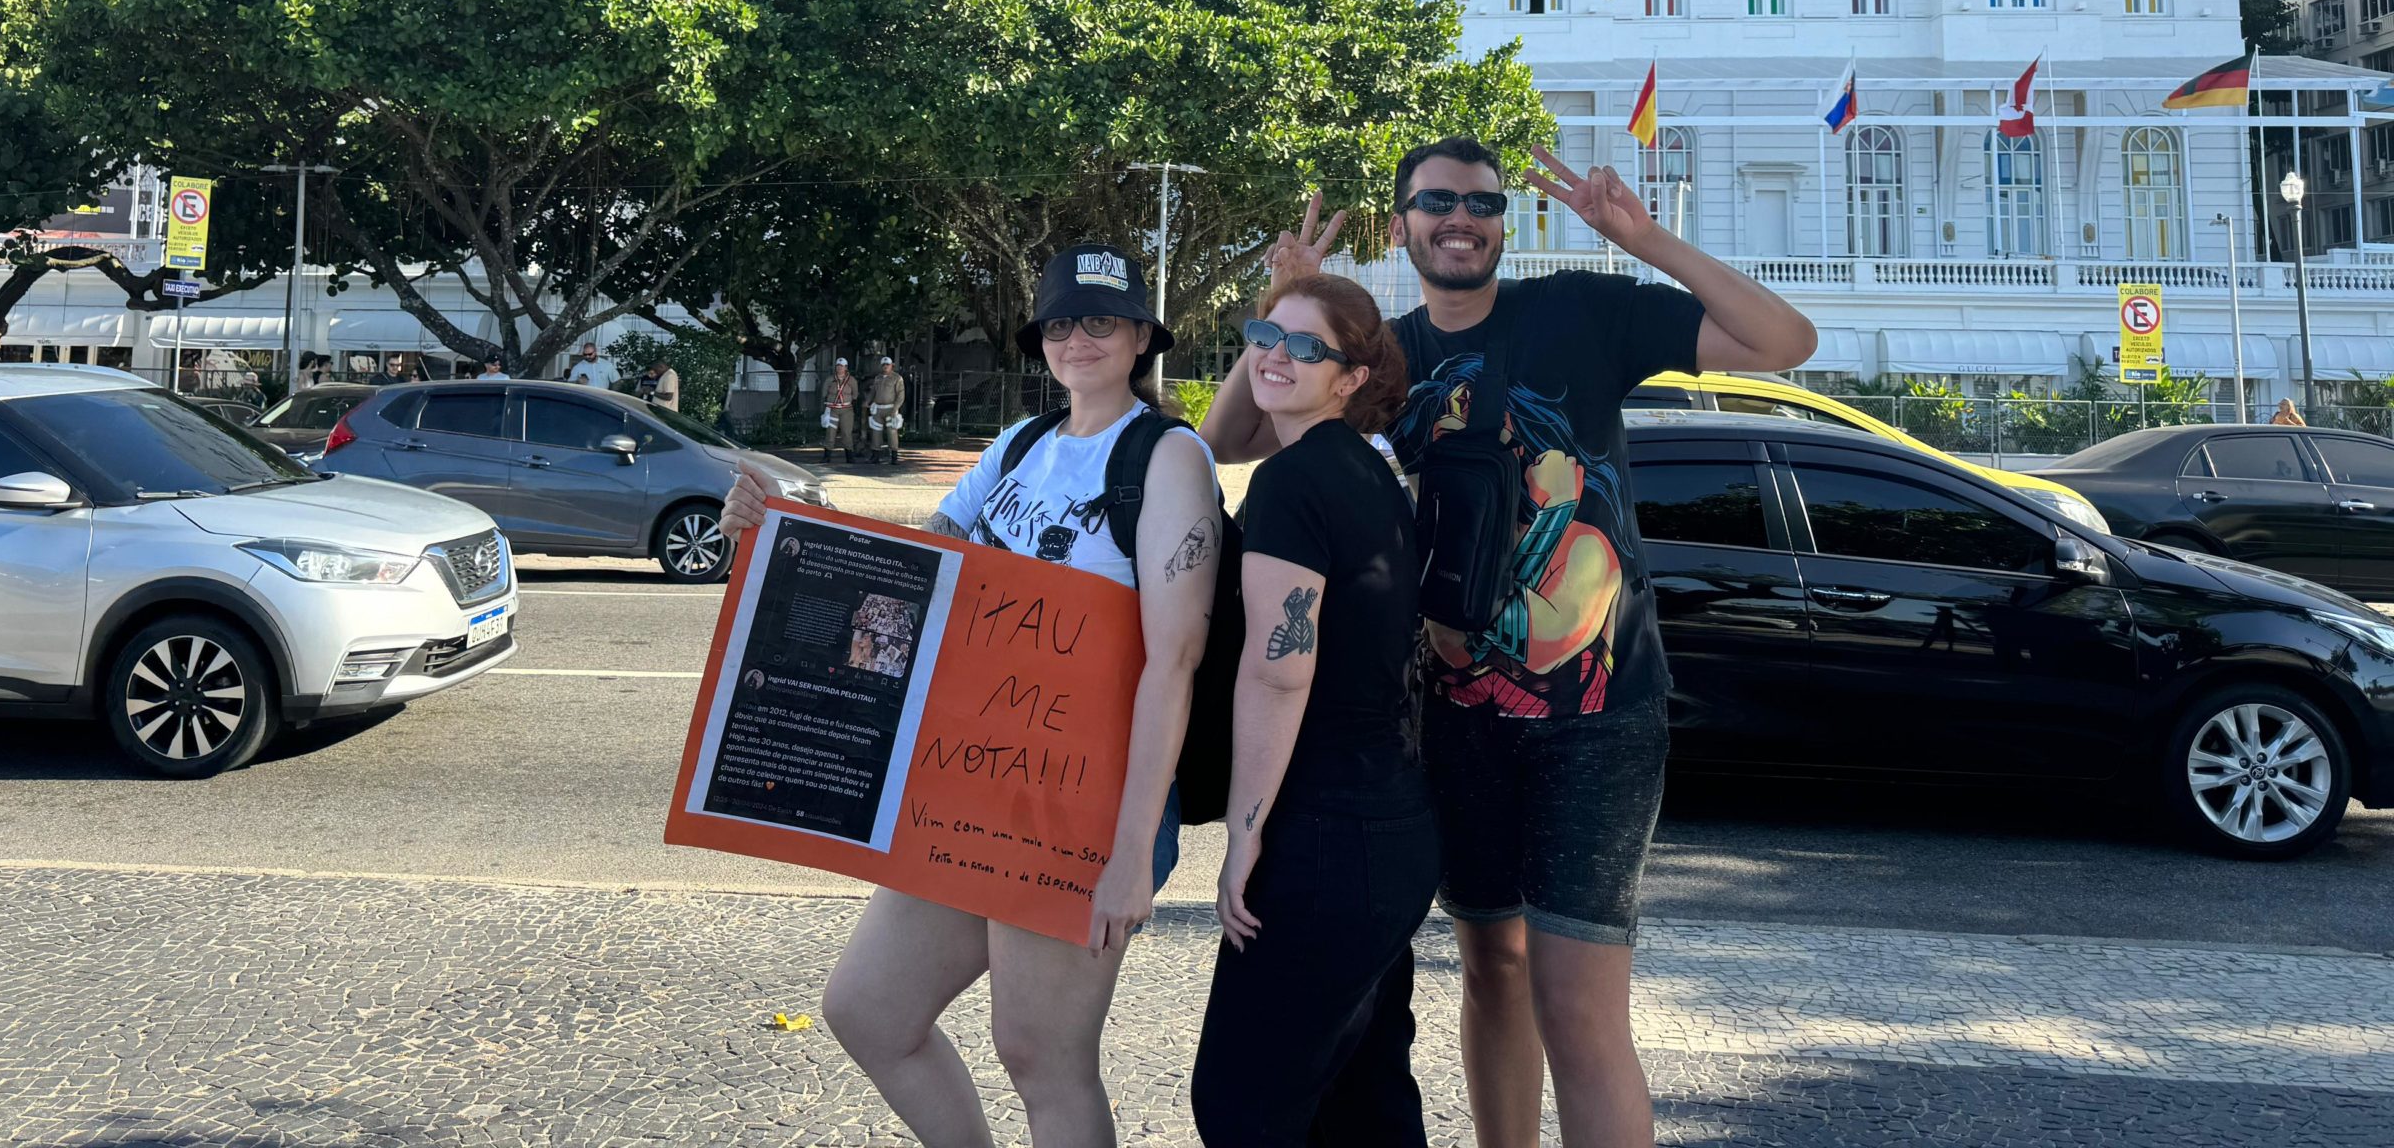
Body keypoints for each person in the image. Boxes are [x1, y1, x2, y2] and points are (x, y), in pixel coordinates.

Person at [1202, 140, 1817, 1148]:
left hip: (1598, 722)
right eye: (1434, 201)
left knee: (1578, 1005)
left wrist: (1645, 239)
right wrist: (1283, 308)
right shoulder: (1385, 363)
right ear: (1400, 224)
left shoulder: (1581, 310)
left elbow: (1784, 338)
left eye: (1480, 202)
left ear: (1503, 222)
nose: (1459, 217)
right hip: (1449, 721)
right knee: (1491, 972)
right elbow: (1231, 436)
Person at [721, 244, 1222, 1148]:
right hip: (976, 785)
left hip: (1085, 804)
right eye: (1061, 322)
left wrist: (1127, 857)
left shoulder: (1168, 456)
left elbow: (1171, 664)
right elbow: (913, 569)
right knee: (870, 1010)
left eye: (1101, 320)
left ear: (1141, 335)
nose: (1078, 339)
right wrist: (786, 525)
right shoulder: (1021, 445)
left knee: (1040, 1056)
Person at [1192, 273, 1439, 1148]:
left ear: (1350, 379)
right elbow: (1216, 438)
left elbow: (1278, 671)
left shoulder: (1293, 483)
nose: (1273, 356)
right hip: (1393, 829)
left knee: (1241, 1105)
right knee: (1365, 1105)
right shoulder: (1369, 476)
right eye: (1266, 333)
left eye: (1306, 347)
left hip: (1326, 841)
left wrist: (1244, 833)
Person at [867, 355, 907, 465]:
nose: (885, 366)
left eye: (887, 365)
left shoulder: (897, 378)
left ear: (892, 366)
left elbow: (900, 395)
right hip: (878, 409)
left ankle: (894, 456)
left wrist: (895, 408)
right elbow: (873, 392)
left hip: (891, 408)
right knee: (875, 432)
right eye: (883, 365)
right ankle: (875, 456)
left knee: (892, 432)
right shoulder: (878, 378)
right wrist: (867, 402)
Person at [825, 357, 860, 461]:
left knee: (846, 433)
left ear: (846, 367)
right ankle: (827, 456)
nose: (840, 368)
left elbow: (855, 394)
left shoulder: (851, 380)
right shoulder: (830, 379)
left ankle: (849, 456)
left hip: (846, 410)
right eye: (838, 366)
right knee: (830, 432)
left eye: (842, 366)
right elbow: (824, 393)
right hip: (832, 409)